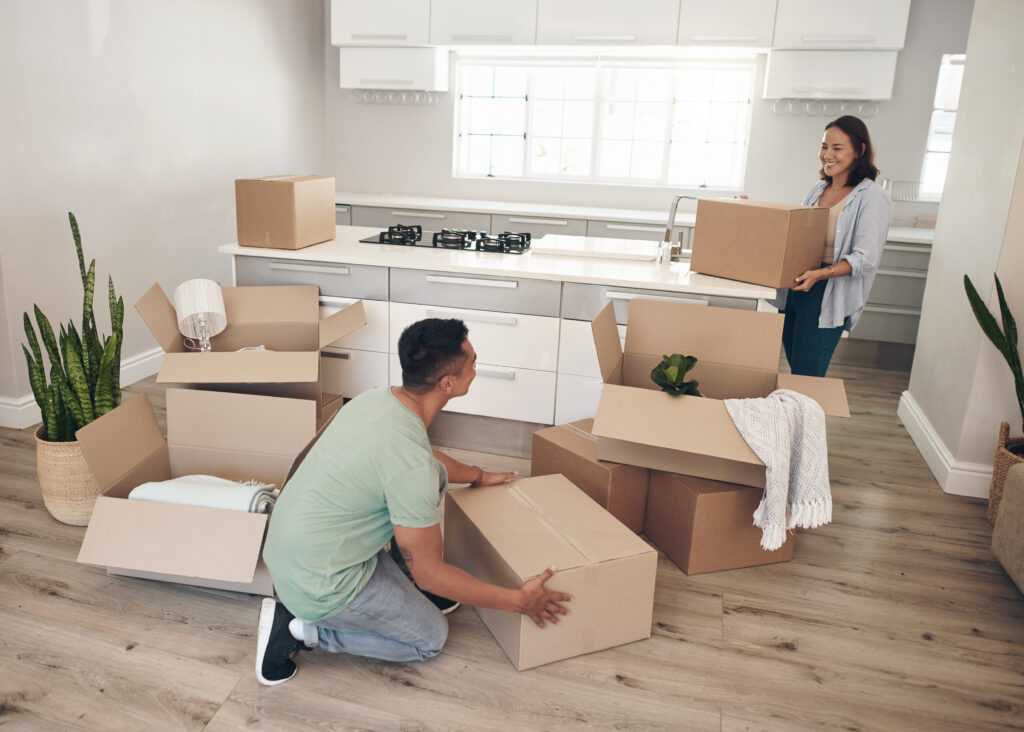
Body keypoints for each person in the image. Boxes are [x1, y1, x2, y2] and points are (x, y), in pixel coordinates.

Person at [256, 318, 572, 686]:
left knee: (432, 473)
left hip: (294, 547)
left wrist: (478, 475)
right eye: (472, 362)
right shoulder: (411, 470)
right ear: (447, 383)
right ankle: (301, 631)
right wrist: (518, 601)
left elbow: (422, 457)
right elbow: (431, 570)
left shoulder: (376, 400)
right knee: (430, 638)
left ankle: (402, 585)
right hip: (321, 584)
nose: (477, 366)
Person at [770, 115, 893, 377]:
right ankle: (800, 418)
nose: (828, 154)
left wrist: (820, 275)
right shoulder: (817, 189)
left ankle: (808, 418)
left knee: (808, 377)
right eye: (824, 146)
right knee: (797, 372)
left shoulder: (873, 197)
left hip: (827, 292)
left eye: (837, 148)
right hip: (797, 287)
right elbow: (800, 235)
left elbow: (865, 257)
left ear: (859, 151)